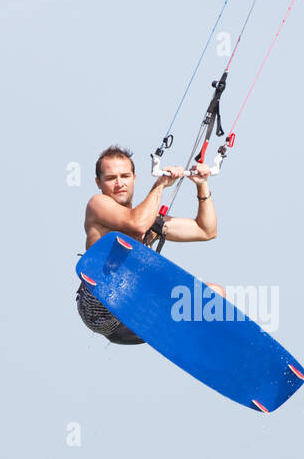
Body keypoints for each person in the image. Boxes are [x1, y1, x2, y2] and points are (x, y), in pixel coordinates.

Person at [77, 145, 221, 344]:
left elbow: (206, 231)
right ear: (98, 182)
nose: (119, 183)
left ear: (134, 179)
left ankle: (202, 346)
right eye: (111, 178)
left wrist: (202, 185)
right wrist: (160, 184)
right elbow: (136, 224)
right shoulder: (97, 205)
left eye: (125, 176)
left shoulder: (148, 219)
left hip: (136, 311)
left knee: (213, 295)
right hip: (100, 309)